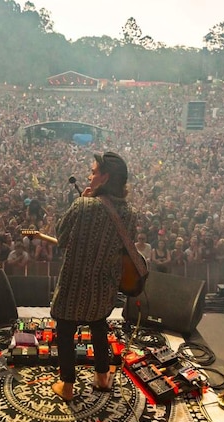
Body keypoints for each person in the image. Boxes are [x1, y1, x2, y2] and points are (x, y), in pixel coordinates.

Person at [50, 151, 136, 401]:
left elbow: (62, 239)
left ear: (105, 177)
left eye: (93, 172)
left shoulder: (84, 205)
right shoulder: (130, 213)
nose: (89, 176)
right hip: (103, 287)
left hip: (73, 286)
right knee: (98, 326)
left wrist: (80, 204)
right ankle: (101, 377)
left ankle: (67, 386)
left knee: (65, 332)